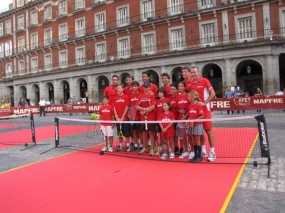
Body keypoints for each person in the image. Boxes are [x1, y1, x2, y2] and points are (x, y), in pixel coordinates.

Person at [189, 66, 216, 162]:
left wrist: (205, 103)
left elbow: (212, 93)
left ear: (198, 72)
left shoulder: (205, 81)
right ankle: (203, 150)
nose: (193, 74)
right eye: (191, 72)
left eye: (194, 72)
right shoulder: (191, 84)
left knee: (208, 130)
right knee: (199, 132)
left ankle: (213, 152)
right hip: (197, 110)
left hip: (206, 109)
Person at [135, 81, 156, 156]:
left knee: (151, 133)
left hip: (150, 118)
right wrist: (143, 110)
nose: (145, 88)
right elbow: (136, 106)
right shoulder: (140, 96)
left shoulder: (151, 95)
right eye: (144, 87)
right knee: (144, 133)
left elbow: (153, 106)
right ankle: (144, 147)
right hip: (142, 118)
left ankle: (152, 149)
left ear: (150, 87)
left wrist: (146, 110)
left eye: (147, 87)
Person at [113, 84, 132, 151]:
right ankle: (120, 145)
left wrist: (122, 117)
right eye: (117, 88)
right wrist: (117, 117)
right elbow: (114, 107)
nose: (118, 89)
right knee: (119, 133)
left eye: (119, 88)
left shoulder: (126, 97)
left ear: (123, 89)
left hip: (125, 119)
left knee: (127, 134)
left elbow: (126, 107)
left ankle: (127, 145)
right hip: (118, 119)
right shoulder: (115, 98)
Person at [187, 90, 204, 163]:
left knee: (197, 140)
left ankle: (199, 157)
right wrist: (187, 121)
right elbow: (189, 115)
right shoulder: (190, 105)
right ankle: (195, 155)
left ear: (192, 97)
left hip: (197, 124)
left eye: (188, 97)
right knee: (193, 140)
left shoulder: (198, 105)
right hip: (191, 125)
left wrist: (194, 121)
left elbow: (202, 115)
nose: (188, 98)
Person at [175, 82, 189, 159]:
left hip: (188, 119)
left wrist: (186, 114)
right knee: (182, 137)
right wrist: (180, 111)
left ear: (184, 87)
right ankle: (185, 150)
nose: (180, 87)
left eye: (181, 86)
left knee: (190, 136)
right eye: (179, 86)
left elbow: (191, 106)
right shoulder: (178, 97)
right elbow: (176, 108)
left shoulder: (188, 96)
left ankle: (192, 151)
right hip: (180, 119)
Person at [128, 81, 142, 151]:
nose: (134, 87)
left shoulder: (141, 95)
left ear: (138, 87)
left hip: (140, 117)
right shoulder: (130, 96)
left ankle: (140, 144)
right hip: (133, 117)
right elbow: (129, 107)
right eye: (132, 86)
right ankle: (136, 145)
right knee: (134, 132)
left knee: (140, 131)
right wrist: (129, 115)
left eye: (135, 86)